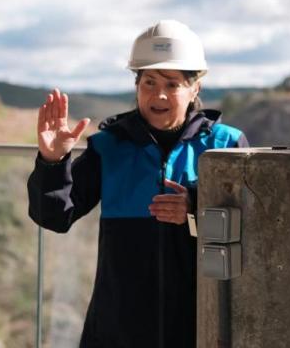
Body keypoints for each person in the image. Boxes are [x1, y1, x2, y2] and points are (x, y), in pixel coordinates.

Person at [27, 20, 248, 348]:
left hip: (202, 327)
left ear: (194, 89)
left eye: (172, 84)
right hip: (118, 330)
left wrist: (195, 207)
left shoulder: (226, 145)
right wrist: (53, 162)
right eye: (149, 82)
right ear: (136, 85)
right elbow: (54, 216)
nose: (158, 94)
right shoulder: (108, 147)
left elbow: (255, 222)